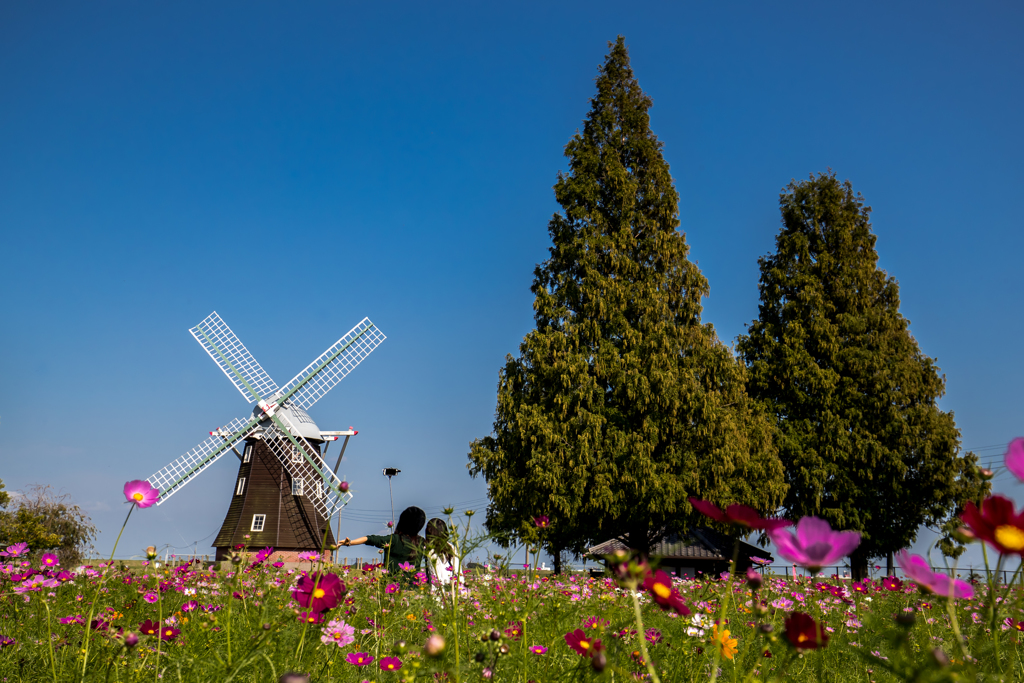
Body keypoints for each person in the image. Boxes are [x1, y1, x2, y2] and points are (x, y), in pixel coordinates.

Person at [341, 506, 425, 577]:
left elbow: (371, 539)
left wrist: (350, 542)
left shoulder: (395, 539)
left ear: (402, 522)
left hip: (392, 586)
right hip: (414, 589)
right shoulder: (422, 543)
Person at [424, 518, 461, 590]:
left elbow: (435, 575)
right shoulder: (451, 547)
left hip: (439, 589)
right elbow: (458, 571)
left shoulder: (429, 550)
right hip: (453, 587)